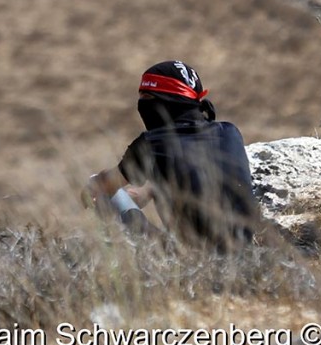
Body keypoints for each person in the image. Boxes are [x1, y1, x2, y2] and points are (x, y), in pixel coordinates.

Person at [82, 60, 260, 251]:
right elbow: (192, 173)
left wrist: (90, 188)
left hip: (191, 257)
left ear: (164, 101)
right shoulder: (229, 131)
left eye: (146, 96)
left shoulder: (152, 143)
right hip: (244, 250)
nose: (141, 103)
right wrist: (150, 191)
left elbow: (106, 185)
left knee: (102, 195)